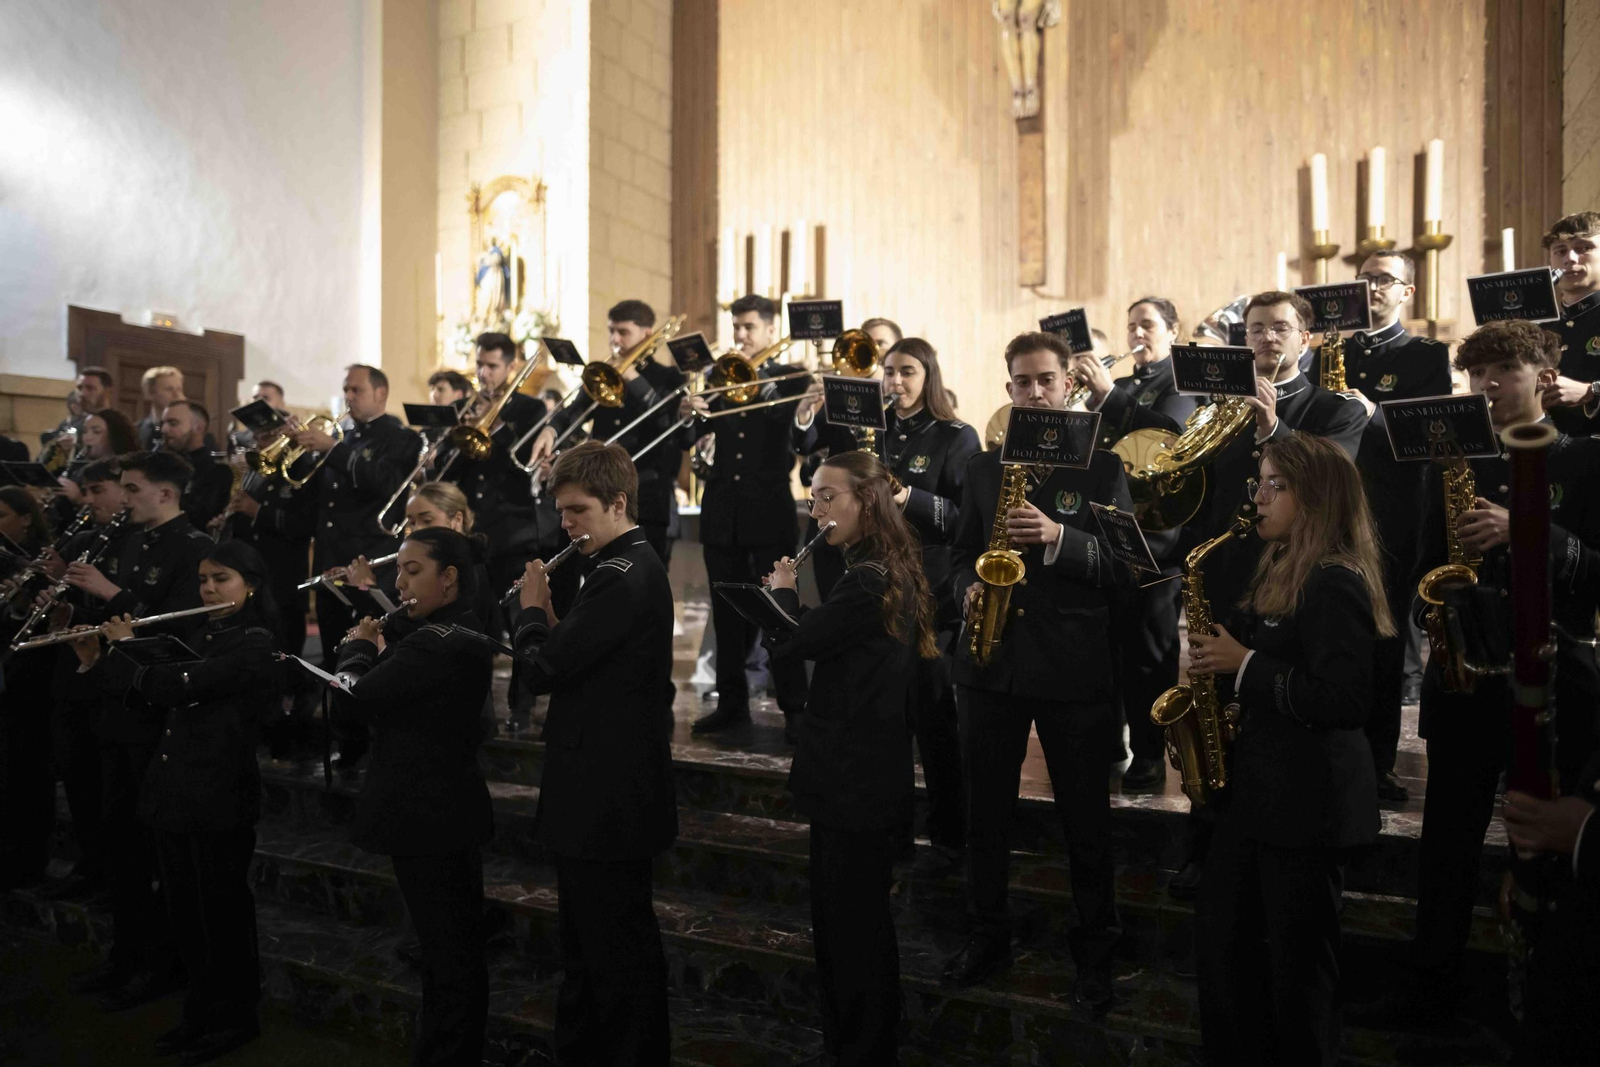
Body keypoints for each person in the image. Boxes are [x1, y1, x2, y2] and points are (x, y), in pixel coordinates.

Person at [1359, 319, 1600, 1026]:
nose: (1488, 386)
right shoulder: (1449, 464)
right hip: (1465, 677)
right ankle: (1430, 990)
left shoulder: (1586, 462)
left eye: (1505, 371)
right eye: (1478, 375)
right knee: (1446, 847)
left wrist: (1527, 530)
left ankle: (1553, 999)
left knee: (1547, 846)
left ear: (1544, 377)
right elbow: (1422, 567)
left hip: (1559, 680)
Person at [1185, 432, 1392, 1065]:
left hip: (1308, 809)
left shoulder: (1335, 581)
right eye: (1259, 483)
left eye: (1278, 486)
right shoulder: (1279, 562)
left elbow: (1346, 700)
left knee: (1299, 981)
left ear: (1318, 498)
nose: (1260, 498)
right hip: (1260, 798)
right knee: (1227, 958)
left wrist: (1244, 666)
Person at [940, 331, 1132, 1011]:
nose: (1035, 392)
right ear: (1009, 390)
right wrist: (965, 583)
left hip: (1072, 669)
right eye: (1022, 382)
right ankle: (986, 932)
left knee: (1086, 818)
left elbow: (1127, 569)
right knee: (983, 812)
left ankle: (1095, 952)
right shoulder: (985, 470)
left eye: (1046, 380)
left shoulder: (1105, 469)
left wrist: (1060, 538)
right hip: (989, 665)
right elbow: (961, 553)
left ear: (1069, 385)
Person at [1165, 291, 1369, 899]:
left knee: (1267, 717)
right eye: (1255, 329)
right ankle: (1209, 841)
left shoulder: (1339, 407)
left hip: (1303, 582)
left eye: (1281, 328)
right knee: (1211, 709)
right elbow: (1196, 490)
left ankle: (1264, 842)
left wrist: (1273, 429)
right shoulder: (1219, 408)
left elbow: (1333, 476)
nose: (1266, 339)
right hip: (1229, 575)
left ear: (1305, 338)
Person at [70, 540, 278, 1063]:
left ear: (249, 585)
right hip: (175, 790)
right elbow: (150, 698)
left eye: (222, 579)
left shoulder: (254, 643)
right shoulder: (200, 632)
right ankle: (201, 1013)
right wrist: (99, 659)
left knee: (222, 917)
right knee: (185, 913)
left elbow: (182, 685)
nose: (208, 589)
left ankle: (233, 1019)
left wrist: (127, 652)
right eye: (204, 579)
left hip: (219, 795)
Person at [764, 450, 934, 1065]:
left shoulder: (869, 577)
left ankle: (861, 1048)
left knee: (851, 930)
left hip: (854, 775)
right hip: (859, 769)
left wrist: (781, 596)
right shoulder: (871, 567)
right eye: (812, 498)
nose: (818, 509)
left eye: (829, 496)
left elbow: (797, 642)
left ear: (868, 500)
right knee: (845, 925)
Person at [510, 441, 676, 1065]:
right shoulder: (619, 565)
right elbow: (589, 661)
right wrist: (552, 617)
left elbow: (545, 671)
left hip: (608, 792)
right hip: (602, 783)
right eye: (562, 511)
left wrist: (529, 613)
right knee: (590, 942)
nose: (567, 524)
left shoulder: (621, 572)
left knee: (613, 949)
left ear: (617, 503)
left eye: (578, 510)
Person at [332, 527, 494, 1065]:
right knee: (446, 949)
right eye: (397, 570)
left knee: (449, 953)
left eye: (412, 571)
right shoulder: (446, 629)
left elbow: (356, 699)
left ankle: (449, 1053)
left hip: (432, 814)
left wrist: (357, 652)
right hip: (439, 809)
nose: (398, 582)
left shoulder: (440, 639)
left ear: (449, 577)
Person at [62, 450, 212, 1010]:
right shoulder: (128, 542)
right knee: (119, 843)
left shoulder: (195, 550)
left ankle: (160, 965)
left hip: (154, 715)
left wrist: (110, 594)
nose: (123, 499)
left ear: (166, 494)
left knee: (152, 852)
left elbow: (176, 634)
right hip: (112, 703)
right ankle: (125, 956)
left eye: (132, 488)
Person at [1312, 251, 1452, 801]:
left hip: (1389, 509)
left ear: (1406, 292)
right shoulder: (1328, 351)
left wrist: (1374, 412)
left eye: (1384, 280)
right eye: (1364, 279)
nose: (1371, 288)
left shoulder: (1425, 354)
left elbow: (1436, 427)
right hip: (1325, 507)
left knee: (1383, 636)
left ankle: (1378, 758)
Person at [238, 364, 418, 766]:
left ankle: (381, 742)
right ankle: (347, 741)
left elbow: (389, 483)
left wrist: (333, 449)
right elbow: (308, 492)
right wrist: (292, 445)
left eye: (356, 389)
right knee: (339, 654)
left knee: (375, 655)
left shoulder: (401, 438)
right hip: (330, 564)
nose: (348, 396)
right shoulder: (343, 437)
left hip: (372, 563)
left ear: (381, 393)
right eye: (345, 389)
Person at [1073, 296, 1200, 791]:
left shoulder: (1182, 381)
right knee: (1105, 648)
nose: (1137, 334)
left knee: (1150, 653)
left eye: (1147, 324)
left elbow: (1169, 435)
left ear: (1172, 329)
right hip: (1109, 532)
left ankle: (1150, 752)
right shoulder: (1122, 384)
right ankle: (1109, 744)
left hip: (1157, 539)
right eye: (1131, 327)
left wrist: (1109, 398)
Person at [678, 294, 809, 734]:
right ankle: (732, 704)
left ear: (772, 330)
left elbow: (796, 437)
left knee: (778, 612)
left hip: (768, 514)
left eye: (749, 326)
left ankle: (794, 709)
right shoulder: (721, 374)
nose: (740, 335)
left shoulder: (794, 377)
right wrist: (688, 415)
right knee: (726, 615)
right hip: (723, 515)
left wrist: (766, 387)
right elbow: (694, 437)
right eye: (736, 326)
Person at [876, 337, 979, 873]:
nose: (896, 381)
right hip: (876, 586)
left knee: (935, 718)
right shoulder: (875, 433)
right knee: (886, 719)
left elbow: (965, 518)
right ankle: (891, 822)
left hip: (932, 591)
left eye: (907, 371)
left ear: (928, 375)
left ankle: (948, 830)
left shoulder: (955, 435)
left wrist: (906, 499)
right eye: (889, 371)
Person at [527, 302, 686, 562]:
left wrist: (633, 379)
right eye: (612, 331)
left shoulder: (668, 376)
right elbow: (573, 411)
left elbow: (670, 426)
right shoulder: (603, 374)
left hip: (648, 496)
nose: (614, 339)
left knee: (643, 577)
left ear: (647, 334)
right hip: (598, 495)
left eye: (623, 332)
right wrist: (551, 430)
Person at [0, 487, 55, 890]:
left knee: (25, 776)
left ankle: (26, 863)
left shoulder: (35, 563)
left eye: (2, 515)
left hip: (28, 684)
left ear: (25, 519)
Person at [1539, 211, 1600, 436]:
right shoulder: (1538, 326)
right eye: (1560, 251)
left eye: (1584, 248)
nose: (1570, 259)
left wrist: (1591, 390)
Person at [161, 399, 233, 532]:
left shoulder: (216, 472)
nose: (164, 429)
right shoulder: (160, 464)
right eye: (163, 423)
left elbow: (201, 518)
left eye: (173, 423)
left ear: (198, 427)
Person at [41, 367, 114, 447]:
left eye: (90, 388)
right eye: (79, 388)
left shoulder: (115, 424)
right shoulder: (69, 425)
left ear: (107, 392)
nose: (82, 394)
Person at [135, 366, 186, 451]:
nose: (177, 395)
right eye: (169, 389)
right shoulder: (136, 432)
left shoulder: (194, 433)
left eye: (179, 389)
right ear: (150, 393)